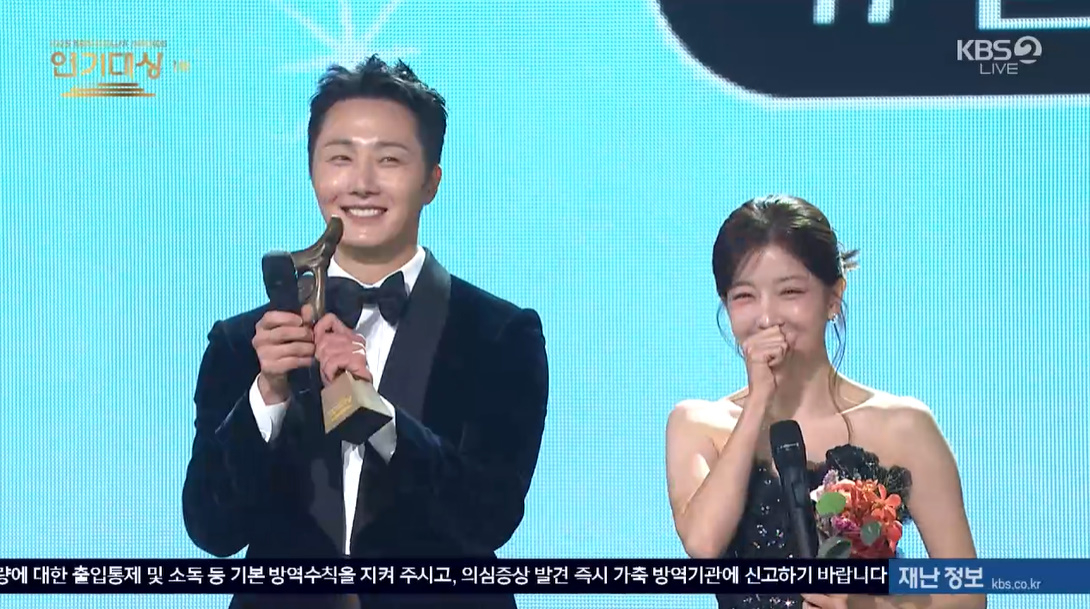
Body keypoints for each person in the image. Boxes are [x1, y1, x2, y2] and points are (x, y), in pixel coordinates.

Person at [182, 56, 549, 609]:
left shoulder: (499, 335)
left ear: (431, 181)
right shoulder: (245, 343)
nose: (362, 183)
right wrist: (268, 395)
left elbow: (489, 516)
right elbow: (212, 528)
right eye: (341, 158)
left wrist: (378, 418)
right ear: (312, 171)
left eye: (389, 159)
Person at [664, 195, 985, 609]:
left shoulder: (904, 426)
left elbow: (966, 596)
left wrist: (868, 607)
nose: (767, 317)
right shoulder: (697, 424)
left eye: (790, 291)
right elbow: (703, 544)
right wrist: (759, 401)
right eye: (744, 296)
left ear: (833, 297)